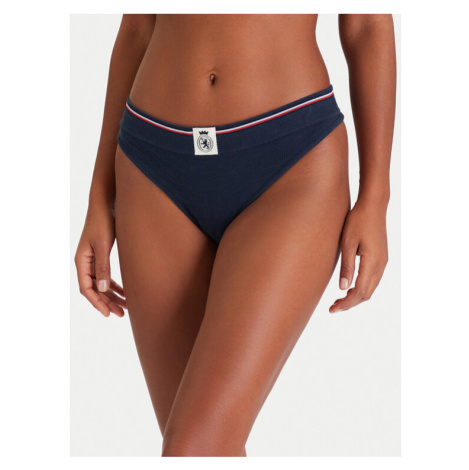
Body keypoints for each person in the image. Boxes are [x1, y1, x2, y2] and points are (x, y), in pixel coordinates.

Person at [74, 14, 396, 457]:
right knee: (203, 449)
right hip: (153, 163)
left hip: (289, 161)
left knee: (192, 448)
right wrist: (100, 195)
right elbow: (137, 27)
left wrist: (376, 197)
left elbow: (366, 25)